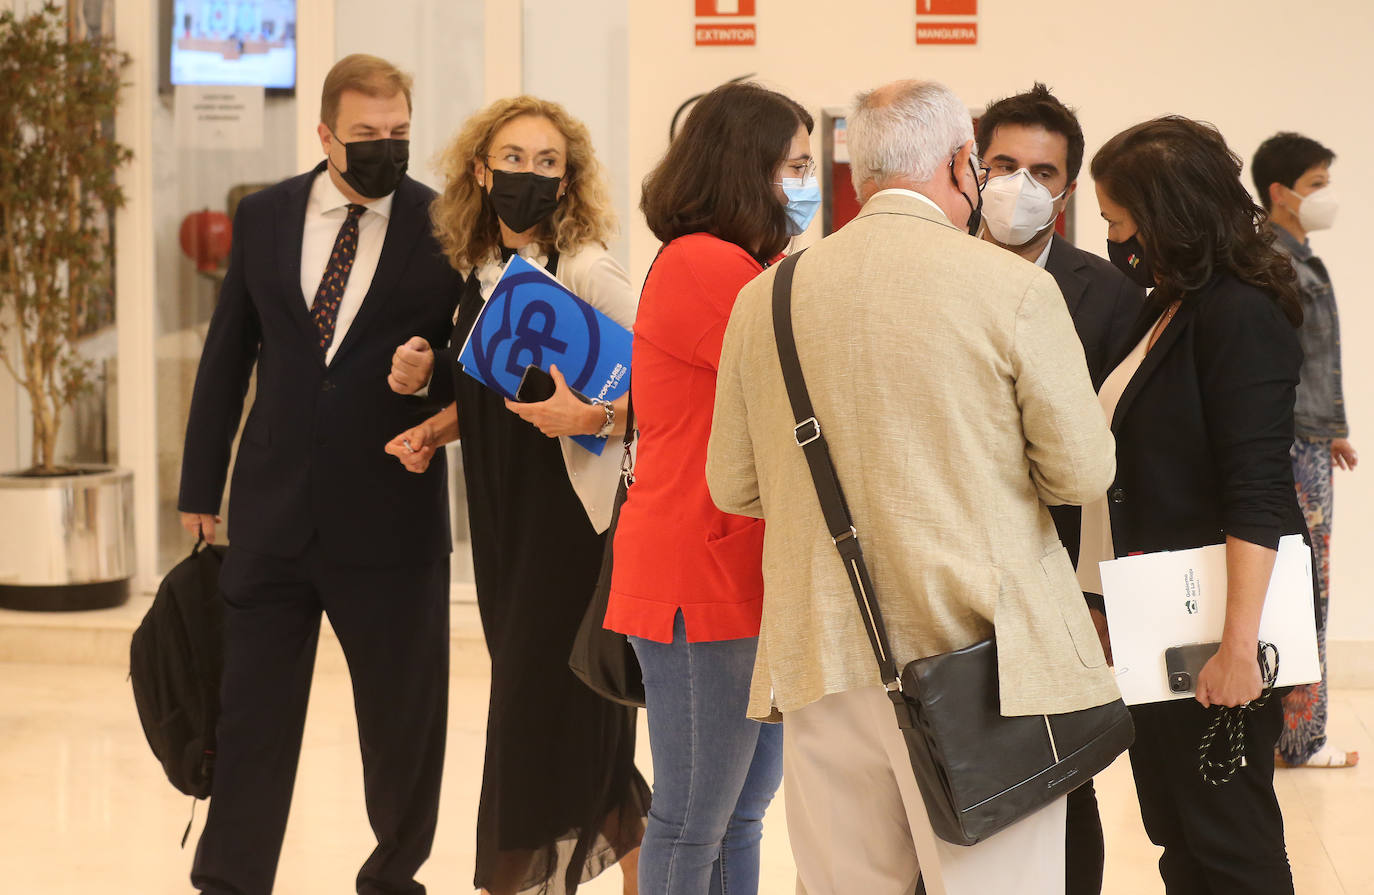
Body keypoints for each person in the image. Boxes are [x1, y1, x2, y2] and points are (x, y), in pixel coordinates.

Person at [706, 79, 1119, 895]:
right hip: (985, 662)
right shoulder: (1015, 289)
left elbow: (733, 482)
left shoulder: (767, 297)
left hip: (826, 653)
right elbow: (1082, 473)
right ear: (964, 164)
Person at [177, 54, 461, 894]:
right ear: (327, 132)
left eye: (401, 133)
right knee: (252, 715)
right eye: (368, 134)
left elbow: (470, 360)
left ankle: (392, 878)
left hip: (391, 518)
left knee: (402, 725)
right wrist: (201, 485)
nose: (386, 147)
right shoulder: (264, 215)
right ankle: (230, 878)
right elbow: (229, 354)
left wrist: (432, 368)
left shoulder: (443, 223)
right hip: (271, 514)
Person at [383, 95, 648, 895]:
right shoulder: (479, 275)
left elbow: (673, 384)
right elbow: (497, 396)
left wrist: (594, 413)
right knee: (577, 731)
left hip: (570, 534)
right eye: (514, 159)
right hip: (504, 533)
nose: (528, 176)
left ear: (567, 184)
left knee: (531, 726)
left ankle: (509, 882)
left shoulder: (586, 268)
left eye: (547, 164)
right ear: (479, 169)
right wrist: (436, 429)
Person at [1085, 116, 1308, 894]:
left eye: (1116, 218)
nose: (1110, 237)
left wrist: (1238, 645)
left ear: (1164, 215)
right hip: (1165, 622)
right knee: (1181, 835)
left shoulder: (1239, 313)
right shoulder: (1171, 305)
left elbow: (1256, 489)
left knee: (1229, 842)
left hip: (1215, 631)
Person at [602, 81, 813, 895]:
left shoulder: (748, 264)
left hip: (742, 568)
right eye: (792, 164)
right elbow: (795, 385)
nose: (801, 182)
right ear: (745, 169)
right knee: (694, 815)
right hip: (699, 568)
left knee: (744, 807)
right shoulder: (704, 263)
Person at [974, 82, 1145, 895]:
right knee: (940, 776)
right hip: (942, 567)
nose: (1020, 186)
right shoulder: (932, 266)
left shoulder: (1108, 294)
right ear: (973, 167)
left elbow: (1116, 456)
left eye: (1043, 172)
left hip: (1059, 578)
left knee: (1061, 780)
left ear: (1069, 189)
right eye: (1004, 164)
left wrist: (1101, 594)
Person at [1251, 131, 1359, 770]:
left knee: (1299, 584)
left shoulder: (1293, 252)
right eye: (1317, 184)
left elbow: (1308, 358)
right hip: (1292, 446)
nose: (1327, 196)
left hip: (1308, 438)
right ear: (1280, 192)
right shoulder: (1277, 259)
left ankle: (1291, 733)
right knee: (1303, 588)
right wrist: (1309, 430)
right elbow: (1278, 360)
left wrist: (1330, 427)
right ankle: (1301, 737)